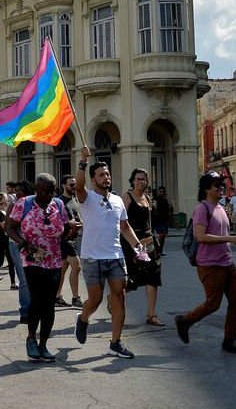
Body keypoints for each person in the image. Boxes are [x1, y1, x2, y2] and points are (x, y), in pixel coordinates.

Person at [72, 146, 146, 359]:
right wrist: (83, 162)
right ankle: (83, 318)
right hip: (91, 258)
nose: (106, 177)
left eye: (108, 174)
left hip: (115, 257)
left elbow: (124, 227)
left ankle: (115, 342)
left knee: (119, 298)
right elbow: (78, 186)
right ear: (93, 179)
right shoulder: (86, 198)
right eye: (101, 175)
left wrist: (137, 245)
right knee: (94, 301)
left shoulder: (117, 200)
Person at [174, 172, 236, 355]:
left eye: (222, 185)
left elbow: (222, 239)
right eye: (217, 185)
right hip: (209, 265)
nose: (221, 188)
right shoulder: (202, 208)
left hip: (227, 264)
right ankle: (185, 321)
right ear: (207, 188)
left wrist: (233, 262)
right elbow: (200, 236)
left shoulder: (220, 208)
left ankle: (230, 341)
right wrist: (231, 239)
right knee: (213, 304)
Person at [6, 173, 77, 362]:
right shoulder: (24, 204)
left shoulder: (58, 205)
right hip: (32, 259)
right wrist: (23, 243)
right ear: (37, 189)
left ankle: (43, 344)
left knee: (49, 304)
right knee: (37, 300)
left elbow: (62, 232)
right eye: (46, 190)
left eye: (53, 190)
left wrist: (70, 229)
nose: (50, 194)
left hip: (54, 260)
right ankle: (31, 338)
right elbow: (10, 227)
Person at [121, 168, 164, 326]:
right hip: (132, 244)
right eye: (138, 179)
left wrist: (155, 237)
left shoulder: (147, 198)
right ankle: (114, 297)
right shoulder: (127, 197)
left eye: (144, 179)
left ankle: (151, 315)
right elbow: (122, 223)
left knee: (153, 278)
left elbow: (151, 222)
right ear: (132, 180)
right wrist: (134, 243)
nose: (141, 182)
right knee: (132, 281)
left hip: (149, 244)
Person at [56, 175, 84, 307]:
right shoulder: (59, 201)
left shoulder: (74, 200)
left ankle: (56, 296)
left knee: (63, 267)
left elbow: (77, 217)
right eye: (71, 185)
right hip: (64, 239)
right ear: (64, 186)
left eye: (75, 184)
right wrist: (69, 224)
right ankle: (75, 297)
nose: (74, 187)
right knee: (77, 267)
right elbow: (55, 221)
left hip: (73, 238)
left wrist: (81, 224)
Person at [0, 192, 17, 290]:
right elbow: (4, 226)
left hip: (6, 239)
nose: (8, 201)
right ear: (1, 201)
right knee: (0, 262)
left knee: (11, 262)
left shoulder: (5, 212)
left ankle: (13, 283)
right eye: (6, 199)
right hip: (0, 240)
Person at [152, 185, 172, 250]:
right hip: (158, 220)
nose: (162, 193)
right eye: (160, 191)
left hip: (165, 220)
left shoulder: (166, 199)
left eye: (163, 192)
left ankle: (160, 250)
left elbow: (169, 209)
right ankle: (157, 249)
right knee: (160, 235)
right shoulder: (156, 199)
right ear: (158, 192)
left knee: (163, 235)